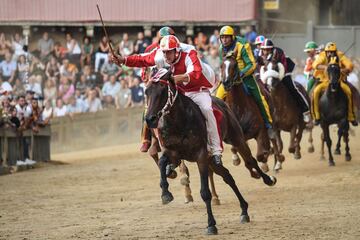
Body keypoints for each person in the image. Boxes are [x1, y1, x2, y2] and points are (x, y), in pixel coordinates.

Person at [110, 35, 223, 165]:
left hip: (198, 88)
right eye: (164, 52)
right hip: (180, 90)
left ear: (177, 51)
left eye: (169, 52)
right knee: (159, 107)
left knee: (207, 109)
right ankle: (163, 145)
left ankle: (216, 151)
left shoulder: (189, 52)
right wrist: (123, 60)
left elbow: (196, 73)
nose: (166, 55)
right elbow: (142, 59)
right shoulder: (160, 55)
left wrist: (177, 78)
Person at [216, 26, 273, 129]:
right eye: (222, 37)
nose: (224, 40)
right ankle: (216, 127)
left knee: (260, 98)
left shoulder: (242, 45)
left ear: (232, 37)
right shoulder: (221, 49)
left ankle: (267, 123)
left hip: (246, 77)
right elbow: (223, 65)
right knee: (216, 99)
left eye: (226, 37)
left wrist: (242, 73)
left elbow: (251, 64)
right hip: (229, 79)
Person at [260, 38, 311, 123]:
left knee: (292, 88)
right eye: (264, 49)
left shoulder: (278, 52)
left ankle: (305, 111)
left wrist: (279, 76)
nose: (265, 51)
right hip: (268, 75)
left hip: (283, 72)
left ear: (271, 49)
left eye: (268, 49)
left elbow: (283, 65)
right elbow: (258, 65)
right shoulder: (260, 54)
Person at [312, 42, 357, 126]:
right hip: (325, 81)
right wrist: (325, 67)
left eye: (332, 52)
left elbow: (350, 65)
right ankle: (316, 116)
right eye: (328, 52)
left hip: (339, 81)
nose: (330, 53)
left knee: (348, 91)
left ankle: (351, 116)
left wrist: (345, 70)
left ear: (335, 51)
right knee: (315, 92)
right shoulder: (322, 55)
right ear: (325, 52)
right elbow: (315, 64)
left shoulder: (340, 55)